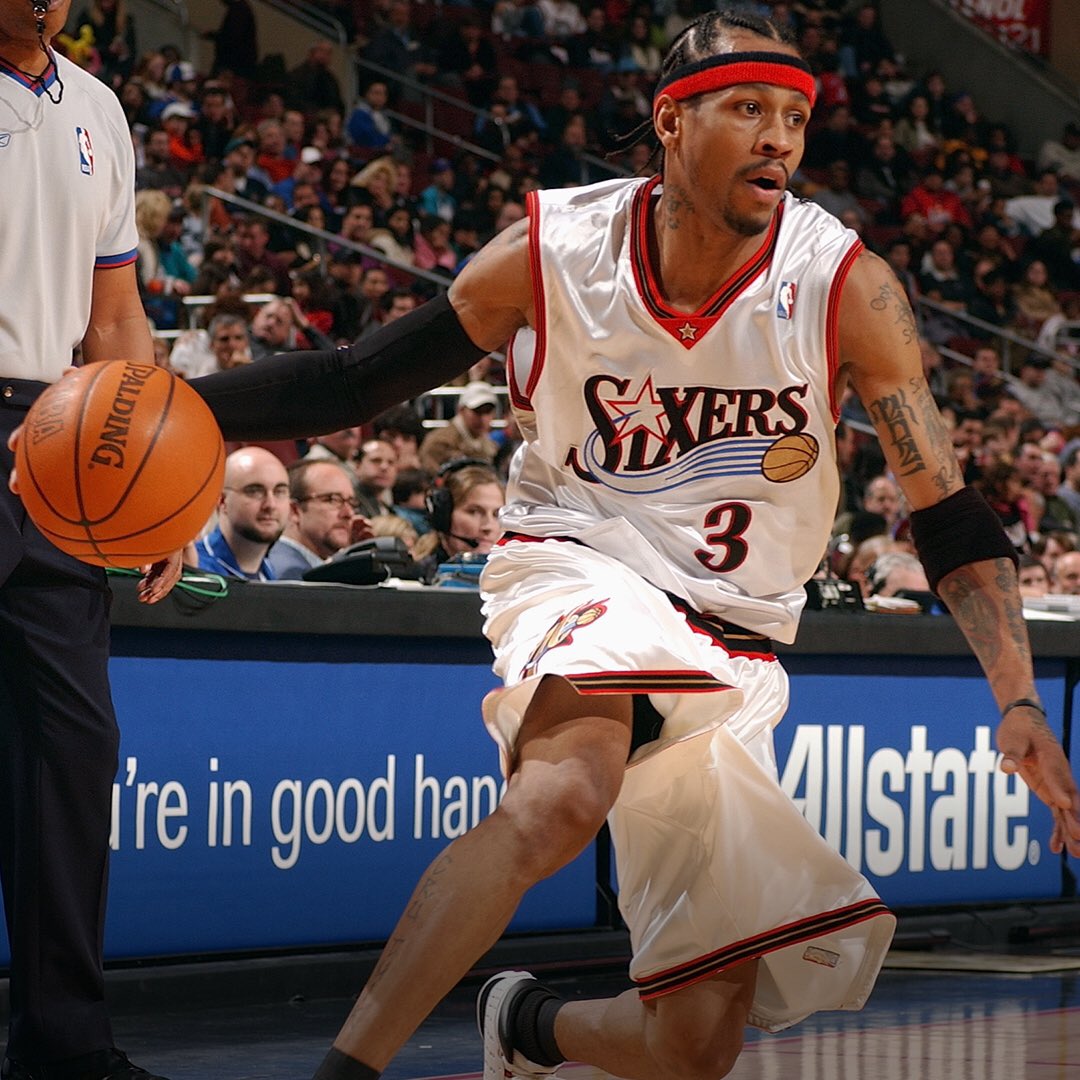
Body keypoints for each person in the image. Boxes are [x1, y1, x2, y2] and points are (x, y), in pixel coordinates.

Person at [178, 11, 1080, 1080]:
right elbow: (352, 382)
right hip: (580, 554)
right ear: (671, 120)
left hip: (736, 631)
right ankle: (347, 1070)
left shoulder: (845, 284)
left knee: (693, 1049)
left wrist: (1018, 700)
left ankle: (524, 1023)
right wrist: (167, 409)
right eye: (748, 108)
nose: (779, 138)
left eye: (795, 117)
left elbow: (948, 512)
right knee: (561, 795)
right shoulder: (554, 251)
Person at [0, 0, 182, 1075]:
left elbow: (116, 318)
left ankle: (63, 1044)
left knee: (72, 749)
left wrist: (152, 479)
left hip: (60, 441)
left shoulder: (100, 110)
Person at [194, 447, 289, 580]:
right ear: (222, 501)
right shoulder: (194, 568)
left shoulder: (269, 572)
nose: (270, 505)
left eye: (279, 492)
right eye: (255, 491)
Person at [267, 458, 364, 579]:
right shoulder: (290, 574)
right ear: (294, 511)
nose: (349, 513)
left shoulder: (313, 568)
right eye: (332, 500)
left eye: (351, 502)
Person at [418, 381, 499, 473]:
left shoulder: (487, 442)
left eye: (487, 412)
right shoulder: (440, 442)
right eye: (477, 411)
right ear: (461, 410)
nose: (483, 418)